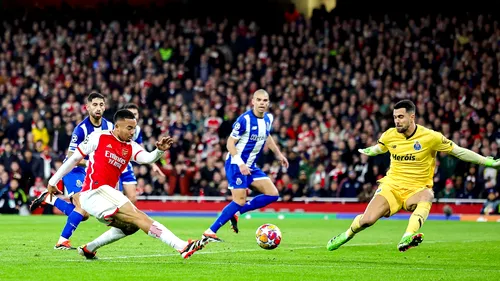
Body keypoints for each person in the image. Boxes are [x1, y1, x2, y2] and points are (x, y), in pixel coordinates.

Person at [326, 100, 500, 252]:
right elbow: (380, 148)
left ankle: (407, 236)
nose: (397, 121)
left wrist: (487, 161)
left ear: (412, 117)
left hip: (416, 189)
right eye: (395, 117)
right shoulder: (389, 135)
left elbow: (459, 151)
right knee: (367, 221)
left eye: (401, 117)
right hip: (391, 187)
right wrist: (370, 151)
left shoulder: (430, 137)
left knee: (428, 194)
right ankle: (346, 234)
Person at [46, 109, 208, 259]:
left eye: (134, 128)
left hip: (105, 196)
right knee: (139, 216)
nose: (132, 132)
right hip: (94, 191)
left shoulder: (130, 147)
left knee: (131, 226)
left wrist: (159, 151)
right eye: (129, 128)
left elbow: (147, 158)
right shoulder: (99, 137)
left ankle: (89, 248)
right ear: (117, 127)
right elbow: (73, 158)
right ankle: (181, 246)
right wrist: (53, 181)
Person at [202, 89, 288, 241]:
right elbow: (230, 143)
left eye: (265, 100)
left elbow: (267, 136)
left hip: (251, 166)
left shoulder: (268, 118)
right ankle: (210, 231)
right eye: (259, 100)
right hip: (236, 164)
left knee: (273, 194)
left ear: (268, 103)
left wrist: (279, 154)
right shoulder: (244, 120)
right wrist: (241, 163)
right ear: (253, 101)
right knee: (239, 200)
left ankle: (237, 212)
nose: (262, 103)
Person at [118, 103, 165, 203]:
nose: (133, 116)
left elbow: (140, 148)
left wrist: (153, 164)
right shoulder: (117, 128)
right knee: (117, 198)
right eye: (130, 113)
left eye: (135, 114)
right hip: (114, 164)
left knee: (132, 198)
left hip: (125, 164)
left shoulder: (137, 129)